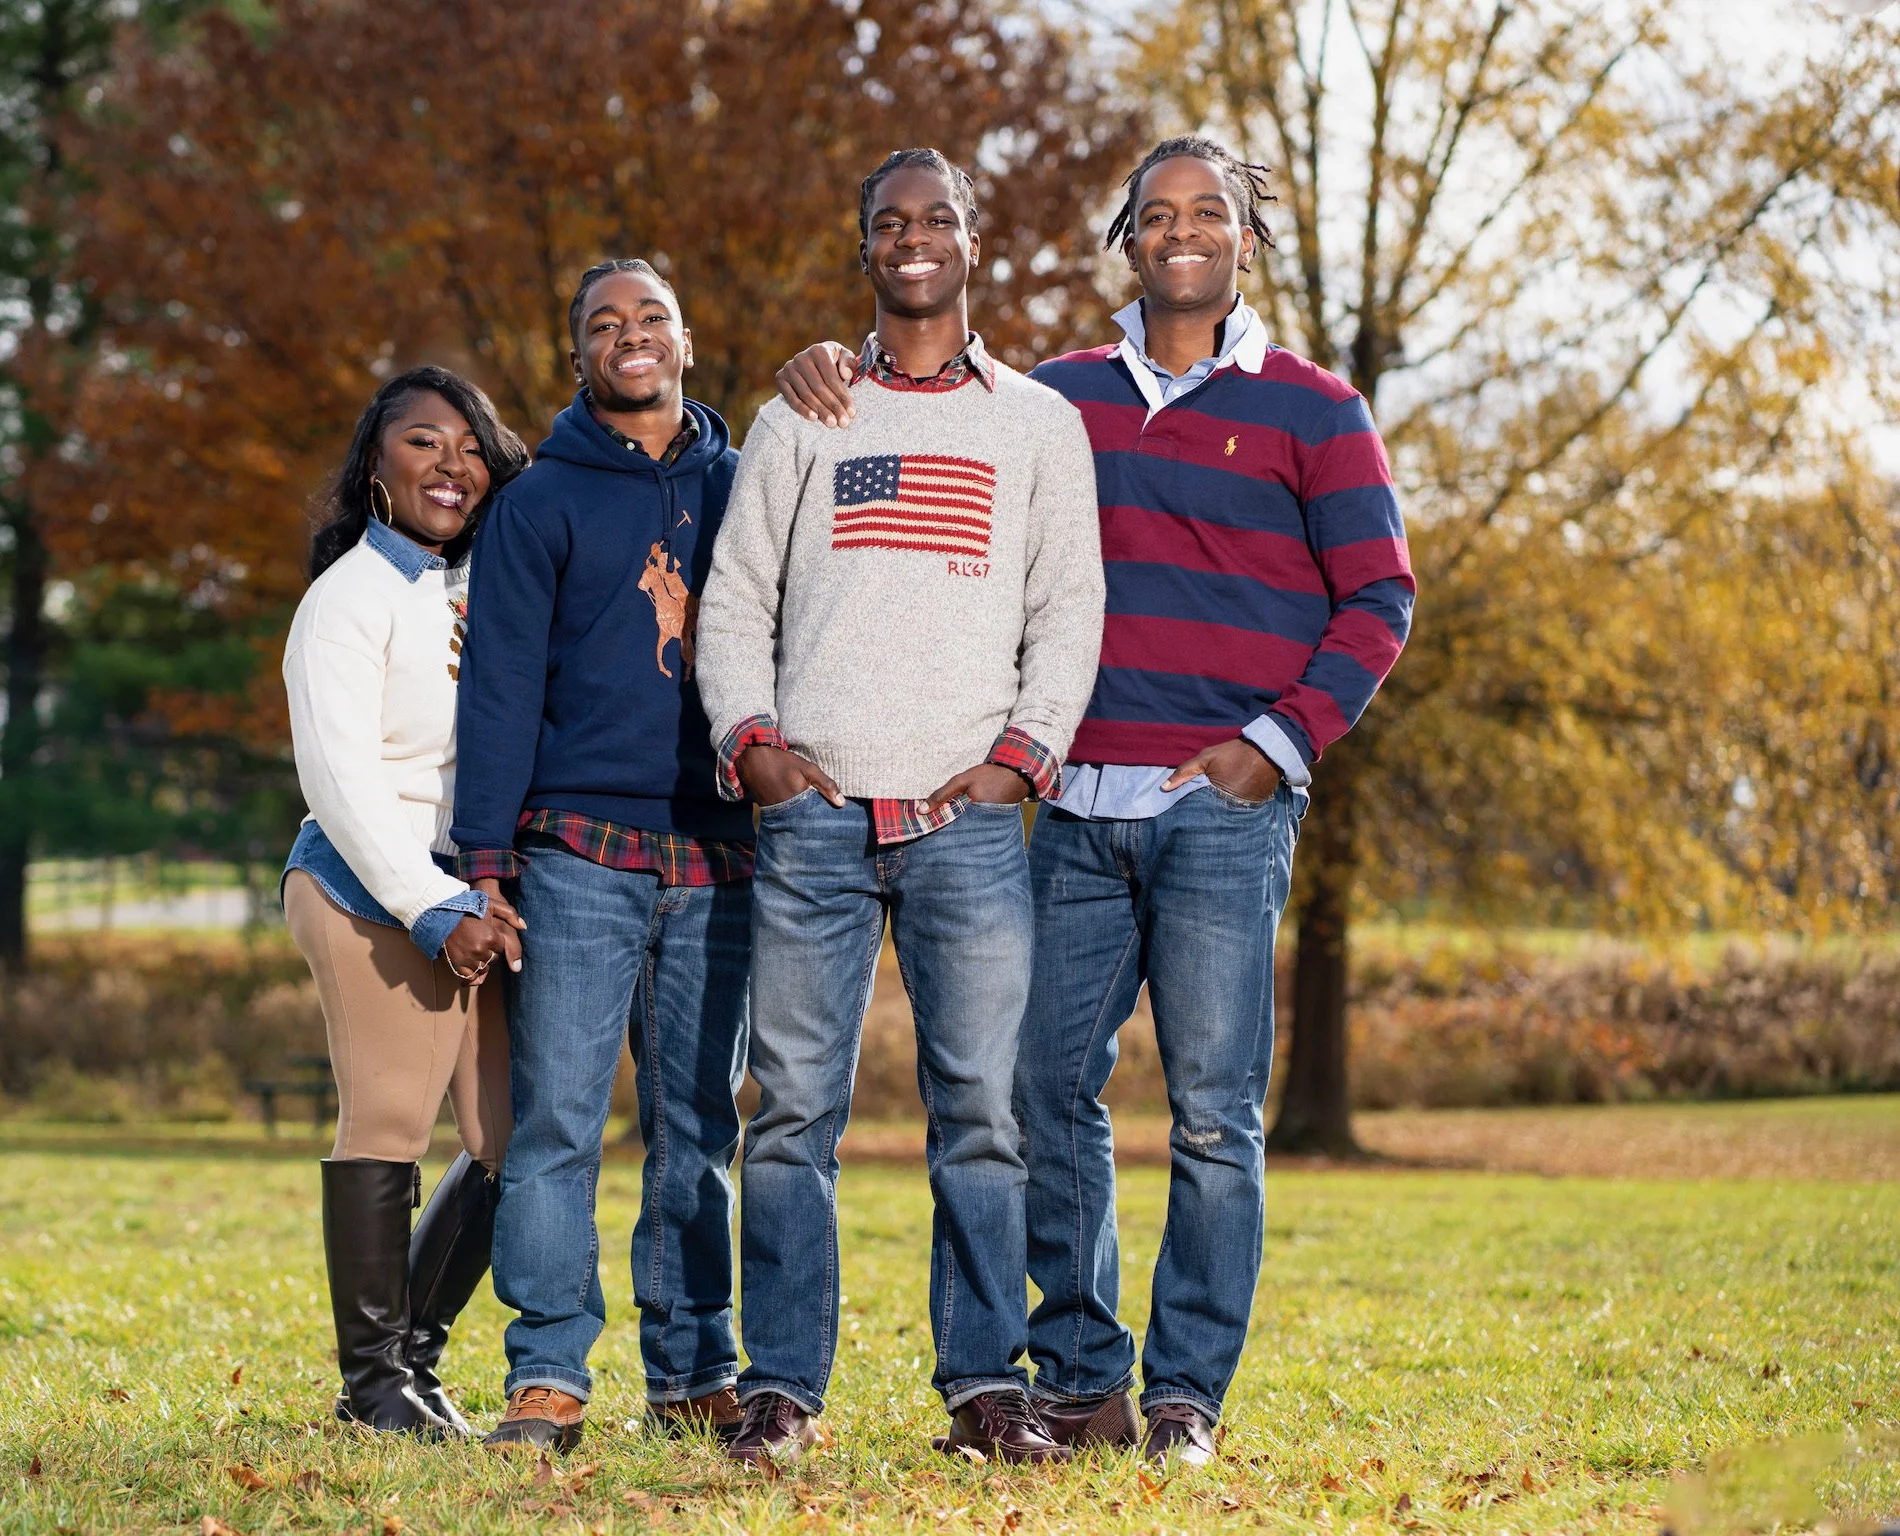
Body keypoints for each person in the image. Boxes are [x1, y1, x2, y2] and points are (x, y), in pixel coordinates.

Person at [773, 135, 1416, 1466]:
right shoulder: (1052, 400)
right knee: (1038, 1089)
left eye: (1210, 214)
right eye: (1156, 215)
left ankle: (1185, 1397)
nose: (1182, 232)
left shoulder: (1317, 410)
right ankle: (1081, 1379)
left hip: (1222, 809)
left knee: (1213, 1113)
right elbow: (920, 411)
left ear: (1249, 241)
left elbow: (1379, 601)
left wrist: (1277, 745)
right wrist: (824, 366)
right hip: (1068, 813)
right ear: (1126, 241)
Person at [697, 148, 1104, 1466]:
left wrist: (1021, 758)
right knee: (794, 1109)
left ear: (973, 244)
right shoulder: (805, 412)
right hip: (813, 820)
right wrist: (751, 740)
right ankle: (784, 1393)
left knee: (982, 1116)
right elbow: (734, 600)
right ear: (862, 246)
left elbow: (1068, 613)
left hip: (968, 827)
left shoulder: (1035, 424)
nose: (914, 240)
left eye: (939, 221)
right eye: (890, 223)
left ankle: (987, 1392)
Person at [451, 259, 754, 1453]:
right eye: (603, 324)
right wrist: (485, 856)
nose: (630, 336)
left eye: (651, 318)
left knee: (699, 1125)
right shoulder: (538, 501)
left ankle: (692, 1370)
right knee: (559, 1125)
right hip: (578, 850)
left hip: (718, 852)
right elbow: (501, 687)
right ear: (577, 353)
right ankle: (547, 1377)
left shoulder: (747, 483)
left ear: (686, 338)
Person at [280, 366, 532, 1437]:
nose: (451, 464)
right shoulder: (346, 599)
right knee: (389, 1118)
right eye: (423, 442)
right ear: (375, 465)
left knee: (512, 1141)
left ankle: (410, 1363)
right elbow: (340, 782)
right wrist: (432, 909)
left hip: (469, 893)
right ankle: (374, 1386)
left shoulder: (480, 591)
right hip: (365, 886)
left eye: (469, 445)